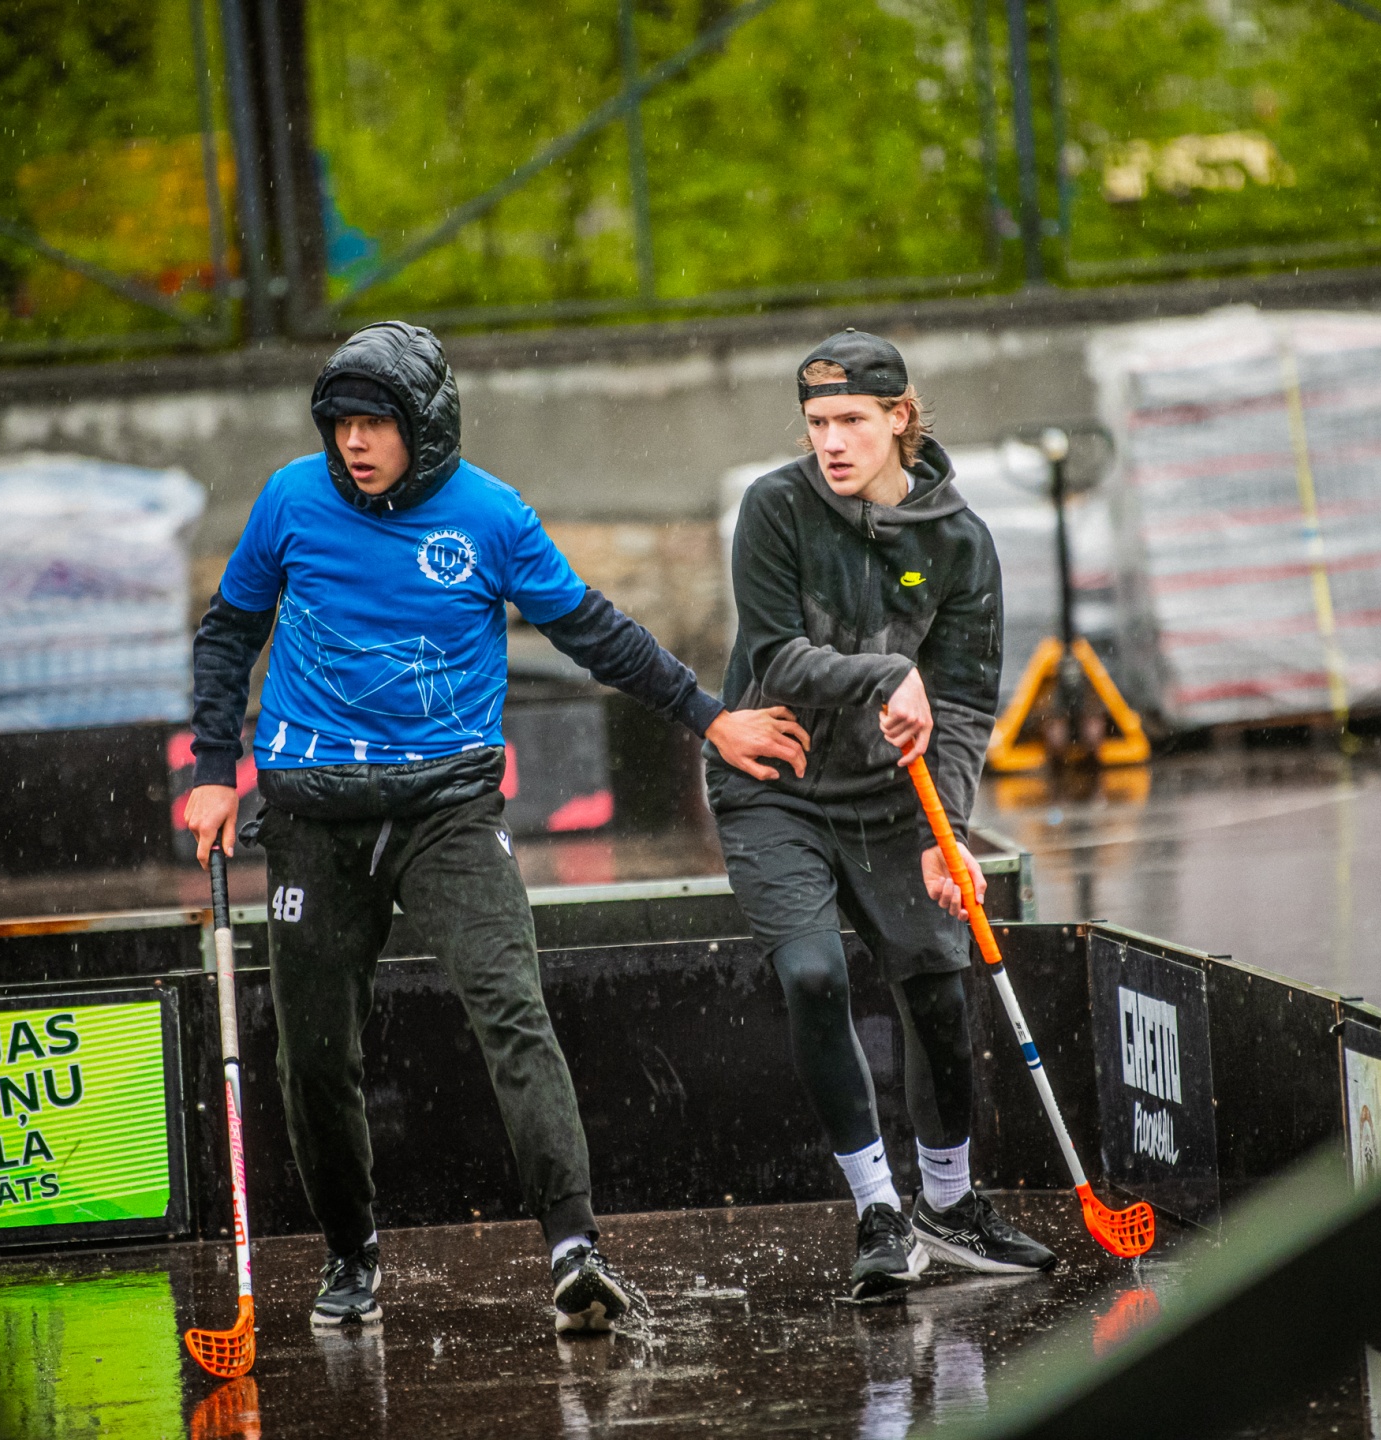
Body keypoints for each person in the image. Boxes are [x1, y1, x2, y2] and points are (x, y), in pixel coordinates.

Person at [182, 322, 807, 1335]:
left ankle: (575, 1250)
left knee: (512, 1011)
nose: (354, 443)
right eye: (341, 423)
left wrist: (707, 715)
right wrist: (215, 771)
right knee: (314, 1057)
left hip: (449, 812)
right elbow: (228, 632)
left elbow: (592, 630)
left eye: (376, 423)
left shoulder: (491, 516)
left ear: (425, 427)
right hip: (312, 816)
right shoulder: (290, 499)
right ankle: (350, 1252)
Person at [708, 329, 1057, 1302]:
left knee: (938, 987)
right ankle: (878, 1214)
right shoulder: (774, 508)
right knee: (814, 974)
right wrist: (887, 672)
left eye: (852, 420)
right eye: (816, 421)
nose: (830, 441)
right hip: (771, 784)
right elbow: (775, 656)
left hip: (891, 801)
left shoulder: (959, 541)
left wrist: (949, 831)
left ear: (901, 418)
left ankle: (949, 1205)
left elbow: (968, 702)